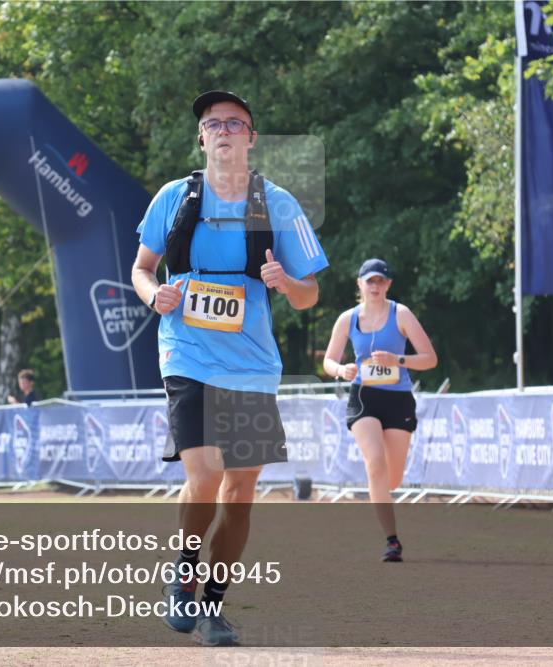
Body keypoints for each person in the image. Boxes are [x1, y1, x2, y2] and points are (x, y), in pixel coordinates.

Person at [132, 90, 328, 646]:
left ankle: (214, 605)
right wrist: (154, 297)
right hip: (187, 352)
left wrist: (286, 284)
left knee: (240, 490)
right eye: (213, 123)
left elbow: (310, 292)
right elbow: (142, 269)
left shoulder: (280, 204)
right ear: (201, 137)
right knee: (206, 475)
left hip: (252, 363)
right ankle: (184, 570)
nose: (223, 130)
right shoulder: (173, 197)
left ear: (250, 137)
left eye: (234, 123)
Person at [322, 259, 437, 562]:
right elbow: (329, 360)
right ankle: (392, 540)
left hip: (398, 399)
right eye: (369, 281)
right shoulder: (347, 319)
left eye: (380, 281)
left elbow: (429, 358)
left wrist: (397, 361)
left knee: (392, 478)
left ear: (388, 285)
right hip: (363, 397)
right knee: (375, 463)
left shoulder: (401, 314)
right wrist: (340, 370)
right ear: (359, 284)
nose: (374, 286)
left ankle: (380, 494)